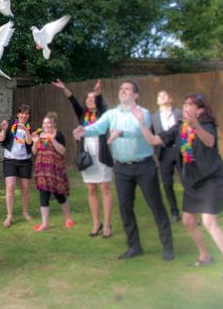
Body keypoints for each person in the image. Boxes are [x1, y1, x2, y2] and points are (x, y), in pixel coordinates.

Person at [132, 95, 223, 280]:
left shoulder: (206, 125)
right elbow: (153, 140)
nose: (185, 107)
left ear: (200, 110)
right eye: (184, 104)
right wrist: (142, 123)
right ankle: (205, 255)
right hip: (192, 180)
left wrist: (195, 125)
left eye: (190, 104)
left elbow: (210, 142)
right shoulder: (179, 127)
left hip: (211, 179)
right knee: (188, 221)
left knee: (209, 222)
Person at [73, 81, 174, 261]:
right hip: (121, 168)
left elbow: (136, 131)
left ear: (136, 95)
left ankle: (168, 247)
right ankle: (134, 246)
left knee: (156, 206)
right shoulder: (111, 114)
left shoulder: (142, 113)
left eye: (127, 89)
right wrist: (83, 130)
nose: (123, 91)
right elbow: (98, 127)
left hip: (144, 166)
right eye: (121, 89)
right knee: (125, 208)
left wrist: (120, 133)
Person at [53, 79, 113, 237]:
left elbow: (100, 104)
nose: (90, 100)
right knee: (91, 189)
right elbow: (72, 101)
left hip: (102, 155)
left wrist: (97, 92)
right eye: (88, 98)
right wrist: (64, 88)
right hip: (87, 157)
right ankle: (96, 223)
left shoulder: (103, 114)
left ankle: (107, 224)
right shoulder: (82, 115)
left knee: (105, 189)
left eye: (93, 98)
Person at [31, 112, 74, 231]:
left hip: (55, 170)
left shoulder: (59, 135)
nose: (46, 125)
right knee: (43, 195)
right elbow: (34, 152)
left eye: (48, 123)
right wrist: (35, 141)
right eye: (44, 123)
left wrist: (53, 139)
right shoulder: (40, 135)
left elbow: (62, 151)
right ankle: (45, 223)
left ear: (53, 124)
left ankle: (68, 219)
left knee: (59, 194)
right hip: (42, 170)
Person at [0, 104, 34, 228]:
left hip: (25, 162)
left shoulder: (30, 127)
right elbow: (1, 139)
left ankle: (25, 212)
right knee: (10, 187)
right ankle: (9, 216)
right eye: (21, 113)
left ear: (29, 116)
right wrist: (3, 130)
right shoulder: (9, 125)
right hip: (10, 161)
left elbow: (30, 142)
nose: (24, 115)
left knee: (25, 188)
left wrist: (26, 130)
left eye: (26, 114)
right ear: (17, 114)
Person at [151, 90, 183, 223]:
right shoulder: (153, 117)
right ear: (157, 101)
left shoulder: (180, 113)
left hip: (180, 151)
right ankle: (174, 212)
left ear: (171, 99)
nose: (162, 97)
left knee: (187, 181)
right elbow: (151, 136)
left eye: (165, 95)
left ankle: (191, 212)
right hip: (164, 153)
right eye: (159, 96)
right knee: (167, 184)